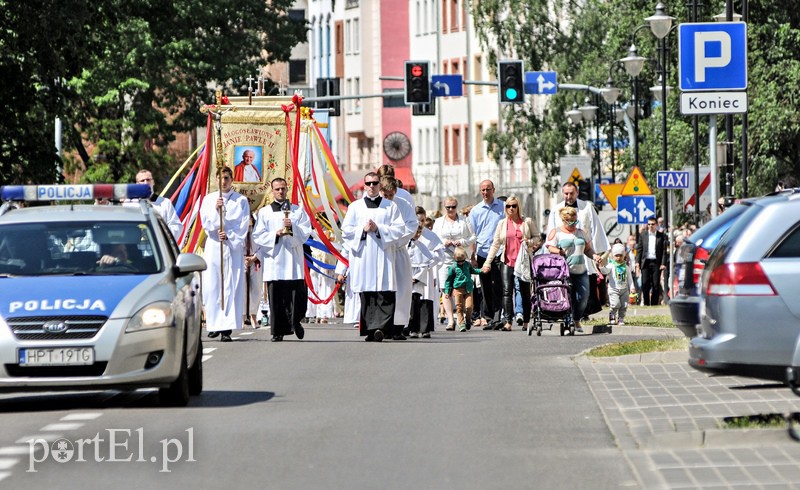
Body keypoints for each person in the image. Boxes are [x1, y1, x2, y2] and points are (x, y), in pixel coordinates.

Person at [340, 171, 406, 341]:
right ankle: (370, 330)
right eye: (368, 183)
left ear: (379, 185)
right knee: (368, 293)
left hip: (384, 255)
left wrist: (378, 229)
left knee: (384, 291)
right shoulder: (355, 207)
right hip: (364, 256)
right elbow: (346, 231)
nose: (371, 186)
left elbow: (399, 229)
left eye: (375, 183)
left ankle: (382, 329)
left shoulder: (390, 206)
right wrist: (362, 229)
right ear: (364, 185)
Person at [253, 178, 312, 342]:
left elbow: (306, 232)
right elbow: (257, 235)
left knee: (296, 296)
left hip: (293, 260)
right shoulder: (264, 213)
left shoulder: (297, 211)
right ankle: (277, 331)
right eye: (277, 189)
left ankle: (296, 323)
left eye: (283, 189)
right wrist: (275, 235)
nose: (280, 192)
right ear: (272, 191)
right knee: (277, 298)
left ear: (287, 189)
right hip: (275, 261)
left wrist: (293, 227)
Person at [199, 166, 251, 342]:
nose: (224, 181)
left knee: (230, 285)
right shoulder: (208, 199)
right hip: (215, 246)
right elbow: (206, 224)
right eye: (221, 178)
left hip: (231, 247)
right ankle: (213, 323)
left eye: (227, 178)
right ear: (216, 179)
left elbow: (243, 225)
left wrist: (229, 236)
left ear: (232, 179)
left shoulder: (241, 201)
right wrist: (216, 211)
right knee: (213, 285)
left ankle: (226, 327)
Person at [545, 181, 610, 319]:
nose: (568, 196)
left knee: (586, 286)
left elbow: (596, 227)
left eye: (571, 193)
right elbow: (551, 232)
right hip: (564, 254)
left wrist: (598, 252)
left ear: (577, 193)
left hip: (583, 250)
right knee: (566, 285)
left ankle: (583, 313)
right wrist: (553, 252)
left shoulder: (587, 207)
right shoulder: (556, 210)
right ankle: (567, 313)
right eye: (566, 193)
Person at [481, 195, 540, 332]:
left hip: (523, 262)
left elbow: (537, 237)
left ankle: (526, 320)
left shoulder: (527, 222)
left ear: (518, 207)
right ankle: (508, 321)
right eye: (508, 206)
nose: (511, 208)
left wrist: (529, 242)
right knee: (507, 292)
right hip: (507, 261)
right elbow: (495, 244)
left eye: (514, 205)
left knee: (525, 292)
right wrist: (487, 263)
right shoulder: (502, 223)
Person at [545, 206, 603, 333]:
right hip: (565, 271)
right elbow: (550, 247)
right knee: (568, 298)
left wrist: (595, 256)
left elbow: (587, 249)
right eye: (570, 222)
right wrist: (559, 251)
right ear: (563, 220)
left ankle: (576, 319)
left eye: (575, 221)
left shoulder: (581, 233)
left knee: (583, 297)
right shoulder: (556, 232)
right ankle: (568, 323)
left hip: (581, 270)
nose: (573, 225)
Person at [379, 175, 418, 341]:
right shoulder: (376, 207)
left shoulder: (404, 205)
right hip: (381, 252)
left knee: (402, 288)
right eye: (385, 195)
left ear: (395, 193)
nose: (388, 199)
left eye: (391, 195)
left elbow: (412, 226)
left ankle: (398, 326)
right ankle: (382, 324)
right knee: (382, 288)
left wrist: (396, 239)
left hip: (399, 250)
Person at [432, 196, 474, 330]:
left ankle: (465, 315)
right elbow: (433, 239)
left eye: (453, 207)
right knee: (446, 289)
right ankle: (451, 320)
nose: (450, 210)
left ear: (457, 207)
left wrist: (461, 242)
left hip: (461, 259)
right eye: (448, 207)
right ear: (444, 208)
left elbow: (473, 237)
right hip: (444, 259)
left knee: (463, 288)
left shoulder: (464, 221)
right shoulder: (438, 222)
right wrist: (443, 242)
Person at [468, 179, 505, 330]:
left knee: (499, 285)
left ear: (493, 190)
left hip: (499, 252)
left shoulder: (502, 207)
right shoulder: (475, 211)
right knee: (485, 287)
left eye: (488, 189)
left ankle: (498, 316)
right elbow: (472, 234)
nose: (485, 192)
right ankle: (489, 317)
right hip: (483, 252)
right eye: (482, 190)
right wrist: (473, 255)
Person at [407, 207, 445, 338]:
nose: (420, 224)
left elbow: (440, 255)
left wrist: (429, 265)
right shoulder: (407, 234)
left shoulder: (430, 235)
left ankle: (425, 328)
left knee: (425, 299)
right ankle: (412, 327)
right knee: (412, 300)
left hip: (426, 271)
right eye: (417, 221)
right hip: (409, 272)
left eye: (422, 220)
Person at [132, 169, 183, 243]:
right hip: (136, 247)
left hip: (160, 247)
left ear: (153, 182)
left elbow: (176, 226)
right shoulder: (130, 204)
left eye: (148, 180)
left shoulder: (165, 203)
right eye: (142, 180)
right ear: (137, 184)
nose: (146, 182)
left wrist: (161, 234)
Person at [443, 247, 482, 332]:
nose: (460, 263)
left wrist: (481, 271)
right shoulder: (453, 267)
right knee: (459, 307)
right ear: (454, 258)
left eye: (462, 261)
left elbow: (473, 271)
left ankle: (468, 319)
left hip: (468, 288)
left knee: (469, 306)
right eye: (458, 262)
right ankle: (461, 324)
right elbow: (448, 281)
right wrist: (447, 291)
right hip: (458, 289)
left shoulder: (467, 265)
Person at [599, 243, 635, 327]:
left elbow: (629, 278)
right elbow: (605, 271)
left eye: (620, 256)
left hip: (624, 289)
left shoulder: (626, 267)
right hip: (614, 289)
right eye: (616, 256)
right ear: (613, 256)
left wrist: (632, 287)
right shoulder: (611, 265)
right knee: (615, 304)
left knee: (624, 305)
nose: (618, 258)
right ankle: (612, 315)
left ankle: (621, 318)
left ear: (624, 256)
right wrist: (601, 267)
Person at [635, 216, 667, 306]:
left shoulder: (661, 236)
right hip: (645, 262)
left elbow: (664, 251)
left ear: (656, 225)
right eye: (648, 224)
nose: (650, 226)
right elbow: (639, 250)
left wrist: (663, 263)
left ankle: (654, 304)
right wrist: (637, 262)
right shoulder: (643, 235)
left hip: (656, 263)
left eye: (652, 224)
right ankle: (646, 303)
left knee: (656, 285)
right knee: (645, 284)